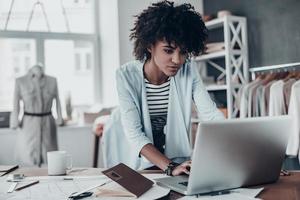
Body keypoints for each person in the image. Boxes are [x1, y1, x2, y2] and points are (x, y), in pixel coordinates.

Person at [116, 0, 225, 176]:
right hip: (138, 159)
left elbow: (211, 115)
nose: (177, 60)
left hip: (175, 159)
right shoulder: (125, 76)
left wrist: (243, 150)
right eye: (168, 50)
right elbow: (135, 135)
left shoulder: (188, 69)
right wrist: (170, 166)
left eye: (183, 52)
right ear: (150, 46)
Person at [10, 64, 64, 166]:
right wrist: (15, 121)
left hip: (47, 121)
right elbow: (15, 104)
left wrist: (59, 118)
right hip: (29, 123)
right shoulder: (20, 81)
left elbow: (58, 100)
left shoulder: (52, 80)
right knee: (29, 154)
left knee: (49, 155)